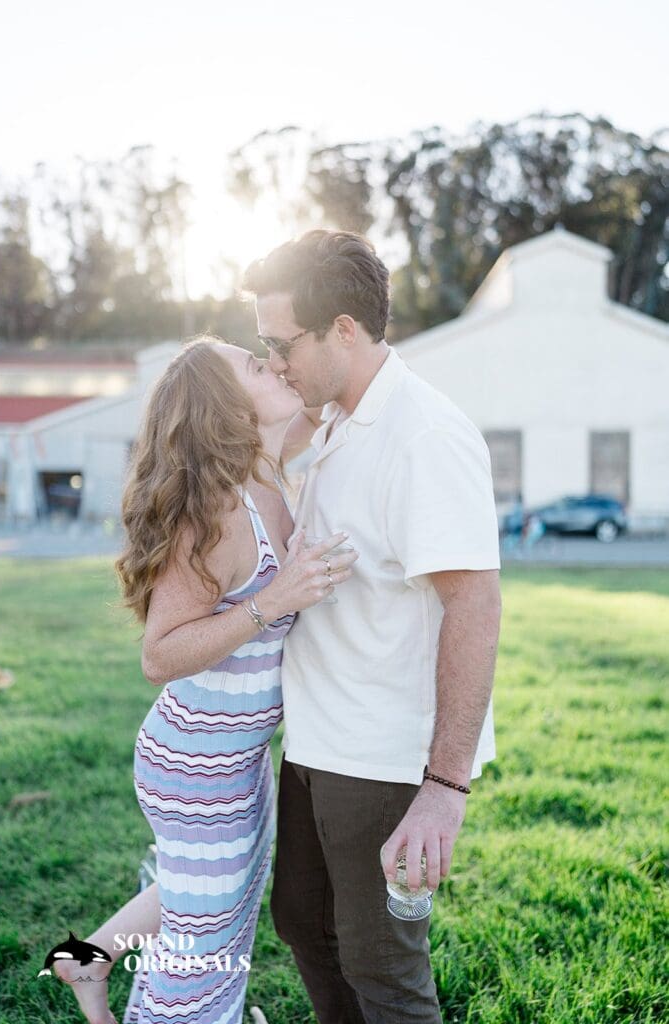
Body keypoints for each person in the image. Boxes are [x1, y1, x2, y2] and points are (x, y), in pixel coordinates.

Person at [53, 336, 357, 1024]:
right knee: (203, 945)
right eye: (255, 364)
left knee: (212, 900)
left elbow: (327, 392)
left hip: (235, 760)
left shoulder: (270, 466)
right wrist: (272, 601)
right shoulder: (218, 513)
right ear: (227, 406)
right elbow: (158, 656)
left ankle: (90, 959)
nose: (273, 363)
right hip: (193, 764)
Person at [241, 230, 503, 1023]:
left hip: (383, 759)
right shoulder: (331, 424)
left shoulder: (420, 434)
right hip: (319, 741)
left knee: (380, 966)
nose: (274, 361)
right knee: (305, 928)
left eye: (280, 343)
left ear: (343, 330)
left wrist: (443, 787)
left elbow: (474, 601)